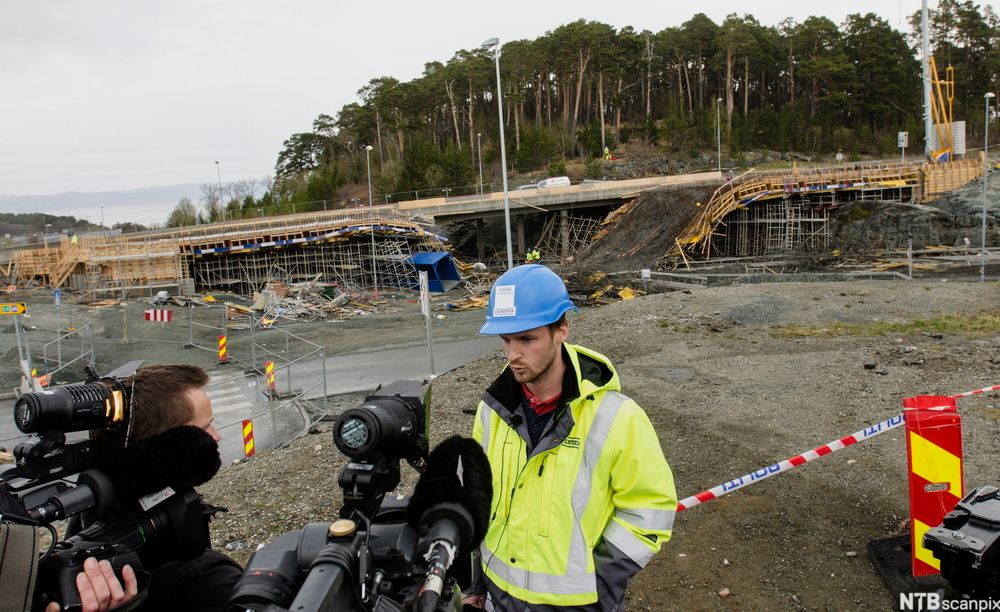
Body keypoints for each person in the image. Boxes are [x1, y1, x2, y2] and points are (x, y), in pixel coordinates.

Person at [470, 264, 677, 611]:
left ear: (561, 330)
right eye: (506, 340)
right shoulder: (491, 411)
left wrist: (600, 584)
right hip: (499, 597)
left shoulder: (617, 417)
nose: (513, 354)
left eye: (527, 339)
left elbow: (649, 510)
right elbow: (481, 498)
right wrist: (476, 580)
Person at [55, 364, 242, 612]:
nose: (216, 436)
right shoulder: (208, 581)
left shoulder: (85, 523)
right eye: (206, 427)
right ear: (170, 449)